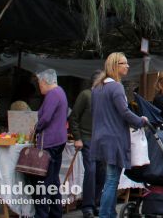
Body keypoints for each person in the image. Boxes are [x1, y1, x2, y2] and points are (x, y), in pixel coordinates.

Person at [91, 53, 148, 218]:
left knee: (110, 178)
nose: (127, 66)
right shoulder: (116, 87)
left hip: (100, 138)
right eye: (125, 63)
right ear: (115, 65)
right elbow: (124, 112)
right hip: (114, 138)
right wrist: (140, 121)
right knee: (111, 179)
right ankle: (104, 214)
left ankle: (109, 213)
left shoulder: (98, 87)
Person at [31, 69, 69, 218]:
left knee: (43, 182)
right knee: (53, 180)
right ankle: (55, 213)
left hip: (50, 141)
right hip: (59, 140)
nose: (39, 87)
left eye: (40, 84)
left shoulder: (52, 94)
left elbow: (46, 118)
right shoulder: (61, 92)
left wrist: (36, 128)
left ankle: (41, 215)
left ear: (46, 82)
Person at [69, 69, 104, 218]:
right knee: (91, 171)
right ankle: (88, 206)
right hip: (87, 138)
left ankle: (96, 202)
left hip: (102, 141)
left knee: (102, 173)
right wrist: (77, 137)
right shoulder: (85, 95)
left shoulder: (106, 97)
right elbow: (74, 117)